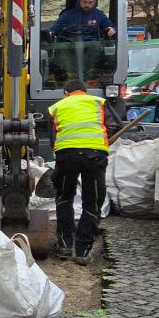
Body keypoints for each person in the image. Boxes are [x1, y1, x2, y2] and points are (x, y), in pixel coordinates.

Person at [48, 80, 110, 266]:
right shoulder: (98, 102)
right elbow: (113, 125)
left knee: (65, 197)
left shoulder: (57, 107)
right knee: (93, 202)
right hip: (95, 156)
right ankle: (82, 251)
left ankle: (65, 246)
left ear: (65, 92)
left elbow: (54, 137)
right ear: (85, 92)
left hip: (67, 156)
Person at [49, 0, 117, 40]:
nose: (87, 5)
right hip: (70, 44)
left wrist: (112, 29)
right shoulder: (68, 14)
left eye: (90, 2)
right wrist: (50, 32)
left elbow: (111, 27)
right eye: (84, 2)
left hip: (92, 45)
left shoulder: (99, 15)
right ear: (80, 1)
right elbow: (56, 27)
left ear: (94, 2)